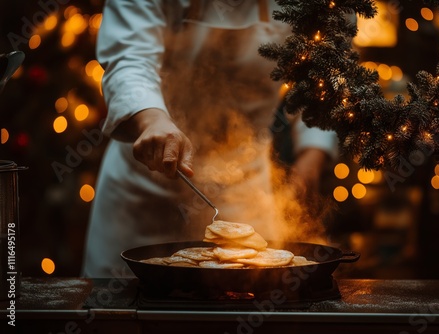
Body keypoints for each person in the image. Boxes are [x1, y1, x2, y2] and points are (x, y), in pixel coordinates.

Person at [81, 0, 338, 278]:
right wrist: (153, 119)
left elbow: (324, 67)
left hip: (245, 190)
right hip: (142, 190)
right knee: (118, 309)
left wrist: (313, 152)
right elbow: (129, 58)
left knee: (243, 295)